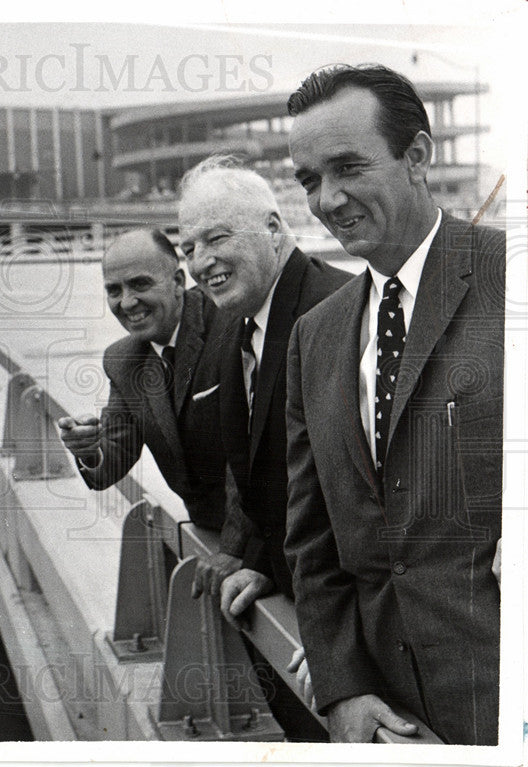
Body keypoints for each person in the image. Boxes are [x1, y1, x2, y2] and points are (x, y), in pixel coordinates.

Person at [284, 63, 505, 745]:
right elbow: (313, 540)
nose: (328, 199)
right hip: (390, 721)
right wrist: (341, 683)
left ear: (417, 156)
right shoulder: (315, 336)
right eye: (310, 180)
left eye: (348, 167)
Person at [179, 156, 350, 741]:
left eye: (217, 237)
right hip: (289, 601)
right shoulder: (235, 325)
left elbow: (377, 504)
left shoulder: (341, 311)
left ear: (275, 229)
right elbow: (260, 470)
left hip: (351, 635)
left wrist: (344, 639)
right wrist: (256, 560)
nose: (201, 262)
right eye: (188, 248)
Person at [57, 228, 230, 531]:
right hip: (210, 531)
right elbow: (114, 458)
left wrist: (237, 549)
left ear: (178, 281)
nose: (126, 303)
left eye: (140, 284)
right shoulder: (124, 360)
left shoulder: (229, 323)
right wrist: (88, 449)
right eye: (114, 290)